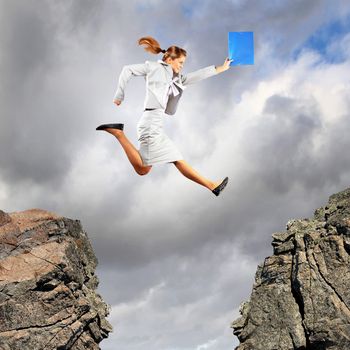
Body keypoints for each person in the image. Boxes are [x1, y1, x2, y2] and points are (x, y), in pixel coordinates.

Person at [96, 36, 232, 196]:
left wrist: (221, 68)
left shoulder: (176, 79)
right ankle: (212, 186)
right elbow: (127, 69)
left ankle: (118, 133)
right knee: (175, 159)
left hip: (154, 123)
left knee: (143, 169)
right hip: (151, 123)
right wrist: (119, 95)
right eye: (180, 63)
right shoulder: (153, 67)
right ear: (169, 59)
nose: (182, 66)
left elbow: (196, 76)